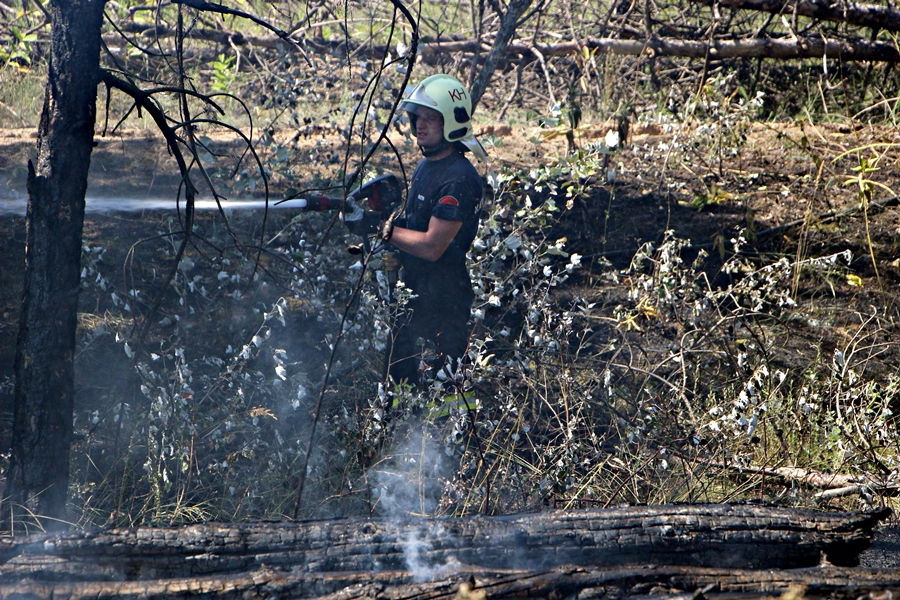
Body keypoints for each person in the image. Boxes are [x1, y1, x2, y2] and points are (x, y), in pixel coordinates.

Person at [380, 74, 488, 386]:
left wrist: (384, 230)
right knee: (399, 384)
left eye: (431, 117)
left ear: (452, 122)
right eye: (418, 117)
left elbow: (431, 246)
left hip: (443, 300)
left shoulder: (459, 178)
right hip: (413, 294)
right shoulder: (426, 165)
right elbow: (416, 227)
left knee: (440, 394)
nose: (421, 125)